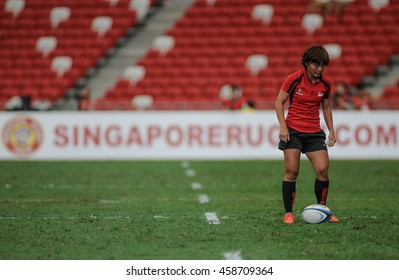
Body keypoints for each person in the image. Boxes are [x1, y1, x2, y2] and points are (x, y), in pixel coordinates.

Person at [275, 45, 339, 224]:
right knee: (291, 171)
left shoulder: (326, 83)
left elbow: (326, 107)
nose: (319, 69)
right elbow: (279, 102)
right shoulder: (293, 79)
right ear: (307, 63)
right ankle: (288, 213)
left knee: (322, 170)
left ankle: (323, 210)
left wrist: (331, 131)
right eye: (316, 65)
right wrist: (283, 126)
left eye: (323, 65)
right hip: (293, 131)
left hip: (314, 133)